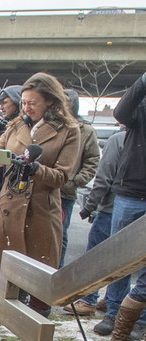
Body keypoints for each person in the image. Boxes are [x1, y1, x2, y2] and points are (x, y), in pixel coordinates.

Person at [0, 72, 80, 341]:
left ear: (50, 101)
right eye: (23, 102)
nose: (26, 108)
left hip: (41, 214)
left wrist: (34, 168)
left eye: (32, 103)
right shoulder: (15, 124)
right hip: (7, 209)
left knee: (38, 284)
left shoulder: (69, 130)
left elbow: (63, 176)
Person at [98, 68, 146, 341]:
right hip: (131, 192)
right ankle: (113, 315)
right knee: (119, 261)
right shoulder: (139, 109)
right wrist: (142, 81)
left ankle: (139, 325)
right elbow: (121, 111)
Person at [66, 129, 130, 317]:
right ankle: (111, 300)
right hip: (127, 208)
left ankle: (88, 300)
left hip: (110, 209)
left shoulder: (119, 139)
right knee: (126, 259)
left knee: (97, 258)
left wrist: (90, 206)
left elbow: (104, 177)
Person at [58, 90, 100, 266]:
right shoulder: (51, 126)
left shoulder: (85, 130)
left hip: (65, 193)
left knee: (60, 234)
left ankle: (56, 272)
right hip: (44, 189)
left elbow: (92, 160)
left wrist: (75, 181)